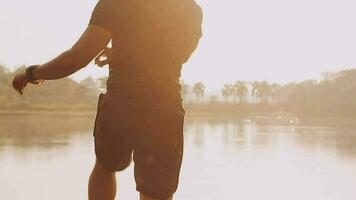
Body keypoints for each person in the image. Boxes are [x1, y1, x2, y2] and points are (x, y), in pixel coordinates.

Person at [12, 0, 203, 200]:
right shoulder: (189, 9)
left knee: (105, 166)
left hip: (121, 105)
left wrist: (32, 74)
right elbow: (179, 56)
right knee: (156, 190)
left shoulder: (117, 3)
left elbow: (77, 57)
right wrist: (126, 53)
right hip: (163, 110)